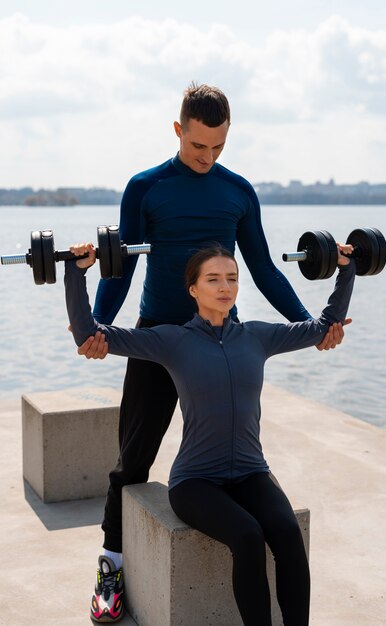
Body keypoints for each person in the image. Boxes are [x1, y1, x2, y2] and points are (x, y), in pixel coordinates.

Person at [74, 83, 350, 622]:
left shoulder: (239, 192)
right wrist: (101, 328)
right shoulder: (145, 188)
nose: (208, 157)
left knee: (234, 453)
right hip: (160, 336)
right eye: (199, 146)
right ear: (178, 130)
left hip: (222, 333)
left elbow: (265, 268)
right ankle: (111, 568)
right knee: (133, 459)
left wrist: (308, 325)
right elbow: (121, 266)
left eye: (219, 147)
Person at [65, 241, 355, 626]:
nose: (225, 287)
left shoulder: (257, 336)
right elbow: (88, 332)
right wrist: (76, 270)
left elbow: (322, 327)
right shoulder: (172, 340)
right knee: (248, 537)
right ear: (193, 289)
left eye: (232, 279)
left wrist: (346, 268)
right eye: (213, 279)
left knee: (286, 532)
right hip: (196, 482)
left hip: (251, 472)